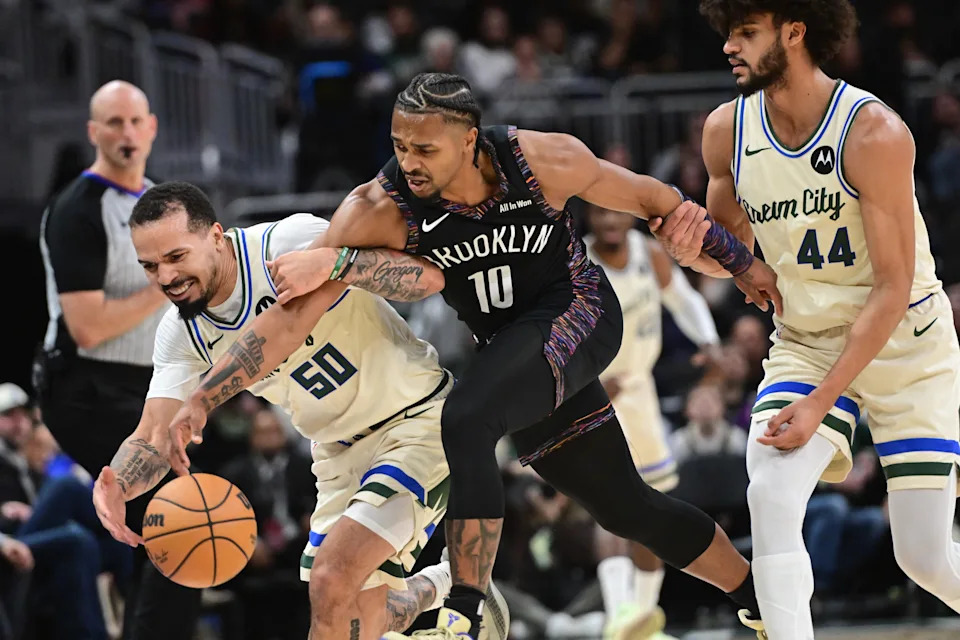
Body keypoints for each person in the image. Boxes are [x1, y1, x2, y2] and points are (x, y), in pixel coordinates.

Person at [169, 72, 783, 640]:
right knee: (626, 508)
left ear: (469, 141)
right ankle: (762, 597)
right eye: (399, 145)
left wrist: (745, 266)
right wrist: (204, 395)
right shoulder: (378, 207)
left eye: (425, 149)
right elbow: (291, 318)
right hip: (514, 356)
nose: (408, 162)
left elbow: (659, 200)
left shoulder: (541, 159)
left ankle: (463, 612)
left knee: (464, 418)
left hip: (580, 314)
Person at [653, 2, 960, 637]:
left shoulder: (872, 131)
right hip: (808, 339)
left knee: (925, 557)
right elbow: (732, 252)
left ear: (794, 31)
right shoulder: (724, 132)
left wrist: (823, 402)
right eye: (727, 34)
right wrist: (702, 256)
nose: (729, 48)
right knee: (769, 492)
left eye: (745, 33)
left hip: (905, 343)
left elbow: (893, 286)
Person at [90, 182, 510, 640]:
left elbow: (425, 277)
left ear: (215, 235)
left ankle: (456, 606)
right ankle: (442, 585)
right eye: (149, 266)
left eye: (176, 257)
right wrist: (118, 484)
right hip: (335, 454)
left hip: (416, 420)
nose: (165, 277)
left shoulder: (288, 243)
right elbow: (154, 433)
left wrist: (342, 265)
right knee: (344, 619)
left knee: (332, 577)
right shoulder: (179, 334)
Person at [34, 80, 204, 640]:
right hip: (84, 387)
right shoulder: (77, 210)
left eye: (135, 122)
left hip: (147, 387)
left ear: (152, 128)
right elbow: (88, 328)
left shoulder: (159, 202)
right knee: (183, 519)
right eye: (113, 123)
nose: (126, 133)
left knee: (158, 530)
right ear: (93, 133)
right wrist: (170, 278)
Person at [584, 205, 721, 640]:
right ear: (587, 215)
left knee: (651, 507)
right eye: (599, 213)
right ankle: (615, 617)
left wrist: (710, 341)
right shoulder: (575, 261)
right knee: (609, 509)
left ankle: (641, 620)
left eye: (616, 213)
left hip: (638, 389)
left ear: (629, 217)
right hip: (594, 390)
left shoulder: (648, 253)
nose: (609, 221)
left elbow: (682, 297)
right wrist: (578, 385)